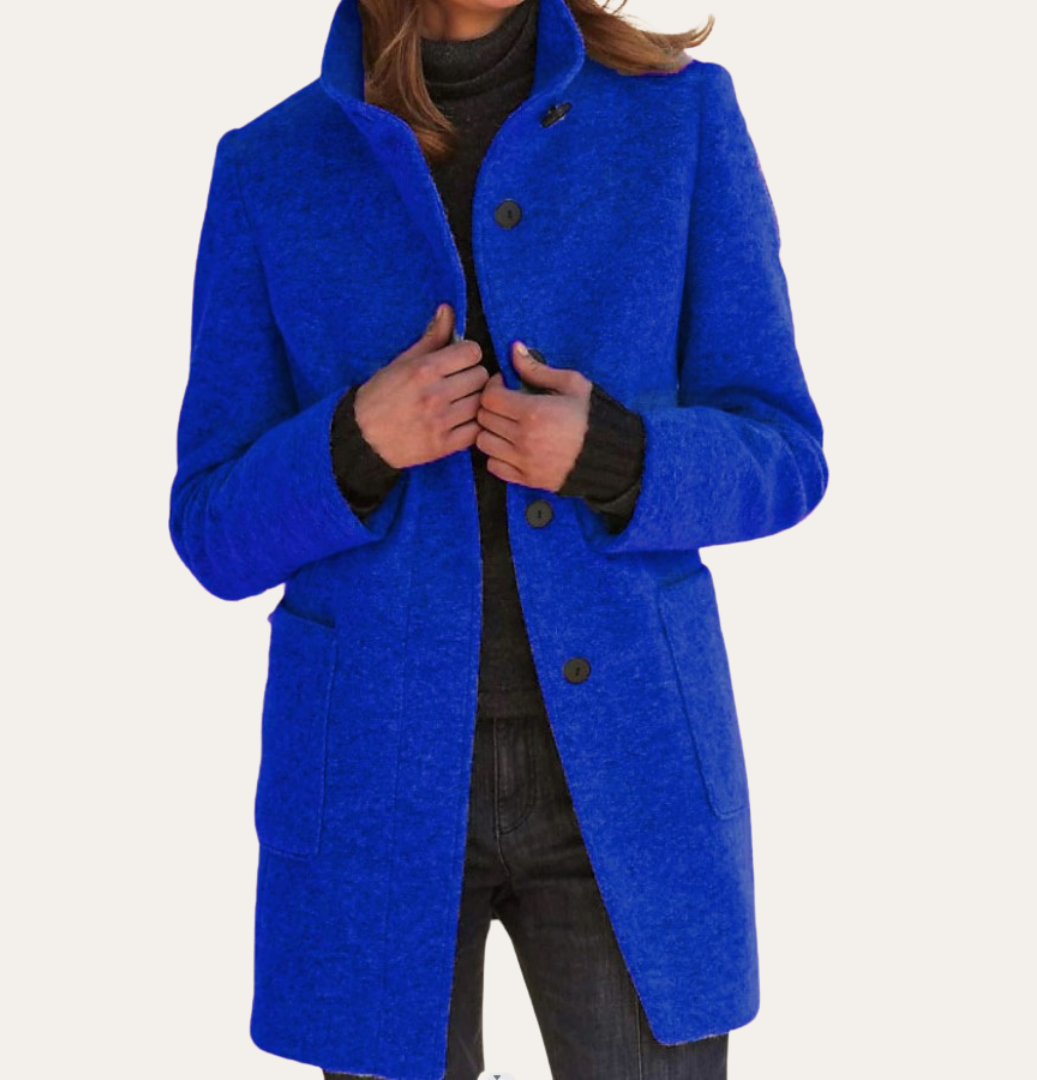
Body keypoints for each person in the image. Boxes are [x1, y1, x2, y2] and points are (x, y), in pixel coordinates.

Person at [168, 0, 829, 1077]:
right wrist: (353, 442)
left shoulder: (680, 119)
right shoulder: (272, 165)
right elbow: (211, 528)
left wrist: (616, 454)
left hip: (630, 770)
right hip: (370, 788)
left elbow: (786, 454)